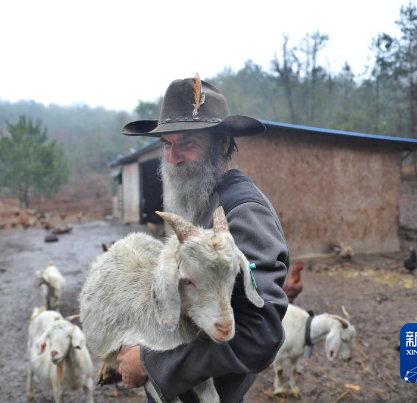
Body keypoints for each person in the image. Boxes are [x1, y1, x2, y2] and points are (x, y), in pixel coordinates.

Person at [117, 74, 290, 403]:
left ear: (222, 144)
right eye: (167, 144)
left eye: (188, 143)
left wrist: (150, 360)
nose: (173, 157)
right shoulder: (203, 201)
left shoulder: (243, 214)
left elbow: (259, 336)